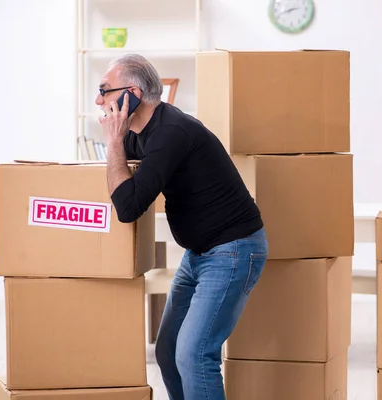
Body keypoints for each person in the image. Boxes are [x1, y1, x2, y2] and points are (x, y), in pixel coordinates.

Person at [96, 53, 268, 400]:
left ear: (131, 93)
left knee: (193, 355)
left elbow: (128, 207)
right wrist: (119, 140)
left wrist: (113, 141)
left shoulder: (170, 132)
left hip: (232, 251)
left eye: (104, 91)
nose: (99, 101)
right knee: (168, 351)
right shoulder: (142, 132)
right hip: (200, 253)